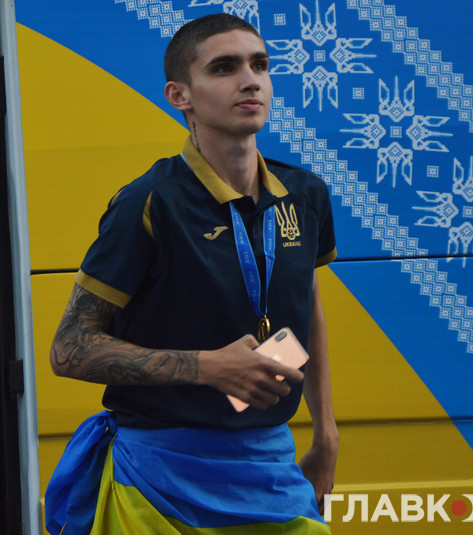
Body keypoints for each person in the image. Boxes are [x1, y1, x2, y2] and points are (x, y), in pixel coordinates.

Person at [46, 13, 338, 535]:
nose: (250, 80)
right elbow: (69, 349)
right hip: (159, 476)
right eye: (224, 68)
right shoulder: (148, 202)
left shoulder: (305, 194)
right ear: (179, 96)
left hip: (272, 468)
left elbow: (306, 305)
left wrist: (326, 434)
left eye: (260, 65)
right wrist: (207, 367)